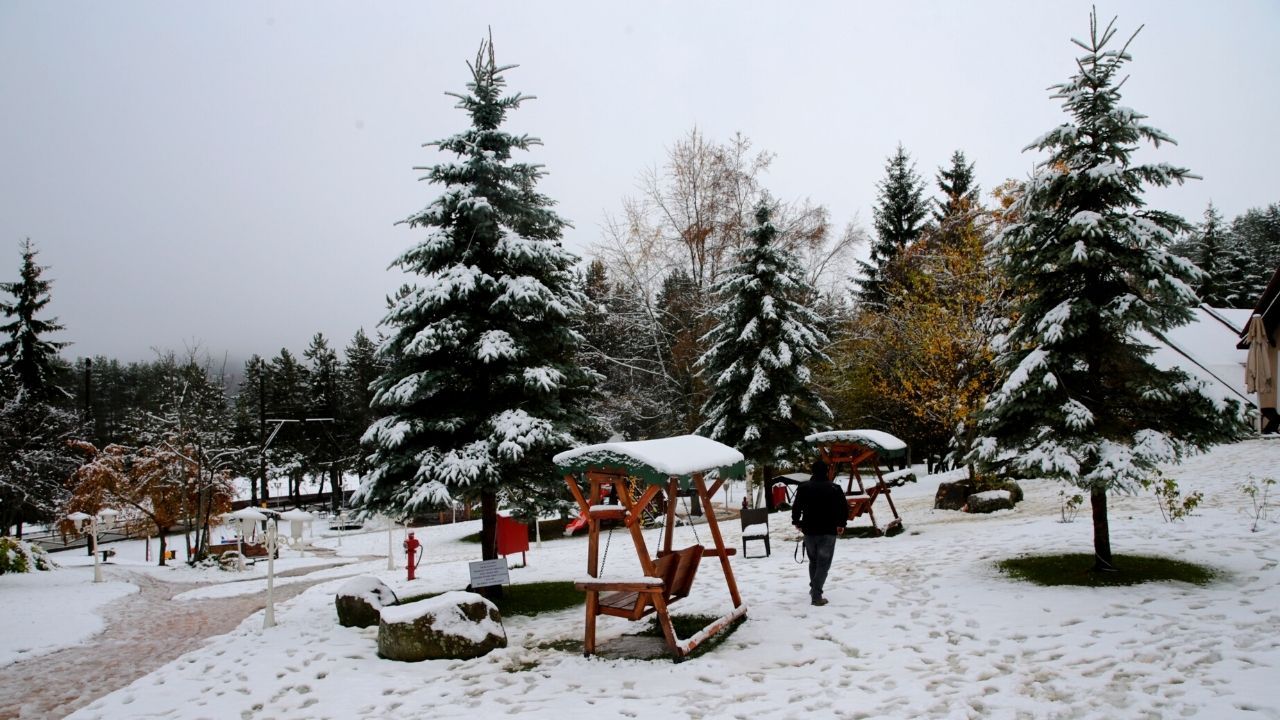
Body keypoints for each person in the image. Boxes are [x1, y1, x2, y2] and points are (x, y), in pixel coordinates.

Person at [791, 458, 846, 606]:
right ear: (826, 472)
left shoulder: (803, 488)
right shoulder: (834, 488)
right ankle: (816, 595)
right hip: (828, 530)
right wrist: (841, 524)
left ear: (813, 471)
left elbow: (796, 506)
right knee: (823, 564)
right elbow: (843, 508)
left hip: (809, 530)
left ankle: (814, 588)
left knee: (814, 561)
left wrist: (796, 521)